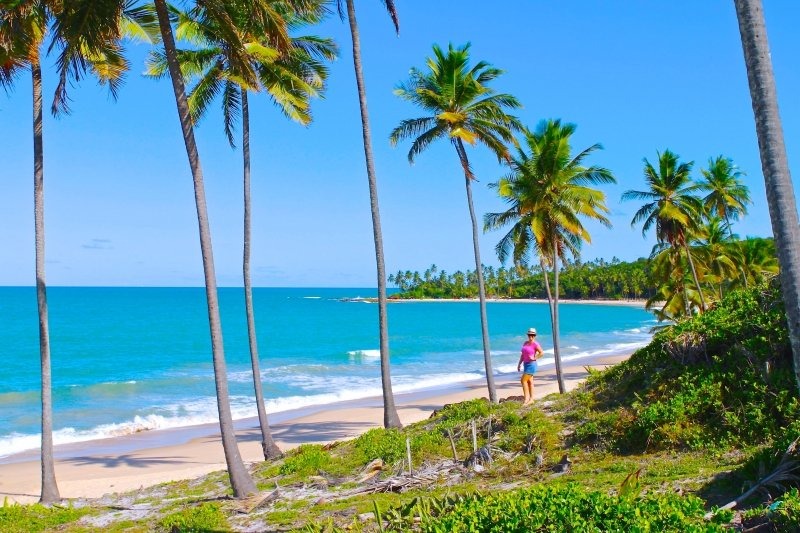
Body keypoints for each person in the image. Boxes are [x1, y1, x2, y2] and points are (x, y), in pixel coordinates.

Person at [517, 327, 543, 405]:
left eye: (532, 335)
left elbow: (541, 353)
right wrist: (519, 363)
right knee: (530, 382)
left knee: (523, 380)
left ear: (535, 336)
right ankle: (531, 399)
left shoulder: (535, 344)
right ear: (528, 335)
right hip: (526, 364)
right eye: (529, 335)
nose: (531, 337)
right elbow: (522, 355)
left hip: (532, 365)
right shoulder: (525, 343)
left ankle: (526, 399)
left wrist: (534, 358)